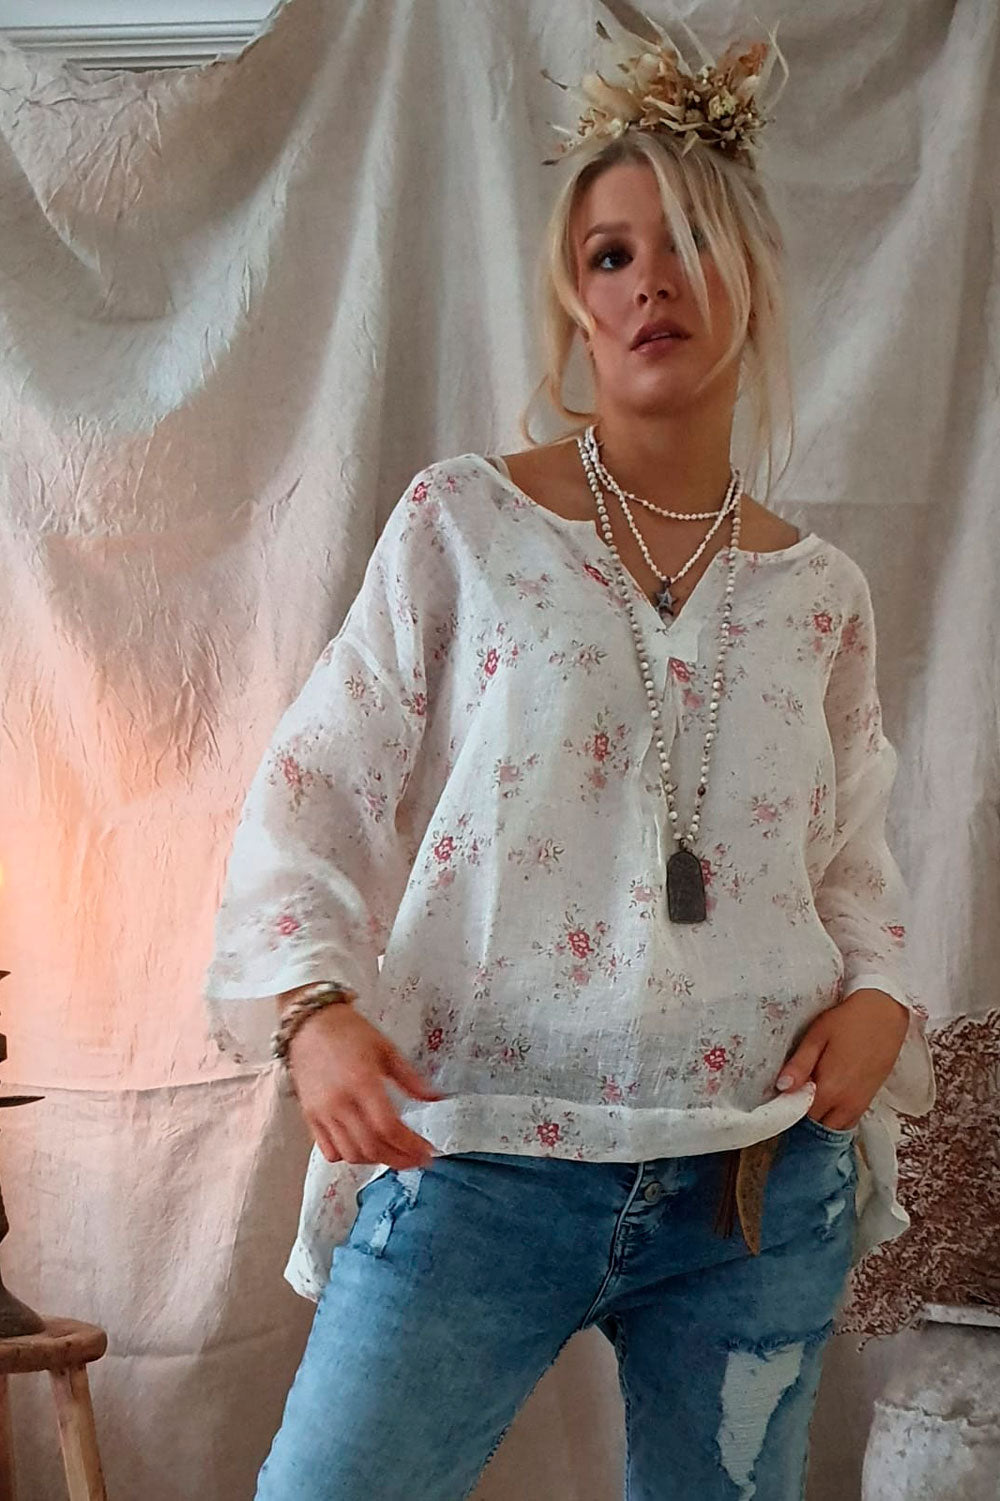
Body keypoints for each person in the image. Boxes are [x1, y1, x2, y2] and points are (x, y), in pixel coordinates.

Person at [202, 16, 936, 1499]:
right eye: (611, 254)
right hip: (476, 1152)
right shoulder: (464, 525)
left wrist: (880, 995)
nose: (651, 279)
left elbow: (851, 854)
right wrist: (311, 1009)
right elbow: (318, 782)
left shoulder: (819, 593)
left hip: (752, 1176)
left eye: (688, 244)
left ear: (750, 279)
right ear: (576, 303)